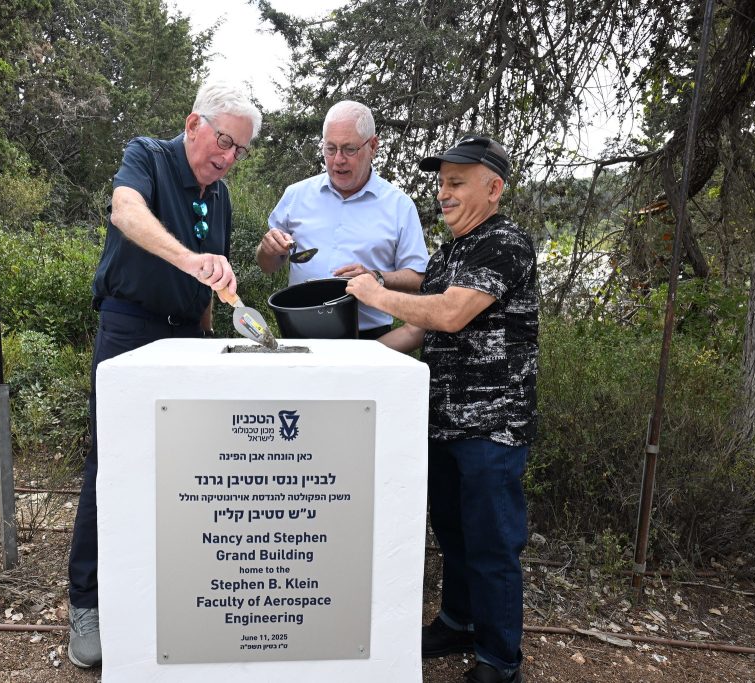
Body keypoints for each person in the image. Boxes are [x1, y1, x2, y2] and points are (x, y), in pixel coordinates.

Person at [66, 81, 262, 669]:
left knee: (187, 463)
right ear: (193, 123)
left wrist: (217, 316)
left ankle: (168, 590)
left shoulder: (219, 198)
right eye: (223, 140)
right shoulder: (146, 156)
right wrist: (189, 258)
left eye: (240, 150)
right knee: (112, 459)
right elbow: (126, 212)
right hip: (129, 327)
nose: (227, 156)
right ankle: (87, 602)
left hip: (188, 335)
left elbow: (207, 287)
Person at [346, 135, 537, 683]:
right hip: (443, 420)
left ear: (493, 187)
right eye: (441, 182)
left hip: (493, 426)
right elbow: (416, 327)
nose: (443, 193)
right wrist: (350, 361)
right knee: (452, 531)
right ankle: (458, 622)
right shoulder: (450, 252)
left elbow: (451, 313)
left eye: (456, 183)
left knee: (492, 542)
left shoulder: (506, 242)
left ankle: (501, 661)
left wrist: (373, 291)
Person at [255, 100, 428, 339]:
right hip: (299, 334)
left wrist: (377, 278)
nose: (338, 160)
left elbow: (418, 277)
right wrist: (268, 249)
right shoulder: (296, 196)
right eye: (330, 148)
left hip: (368, 338)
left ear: (373, 146)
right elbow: (266, 265)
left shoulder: (399, 205)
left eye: (349, 149)